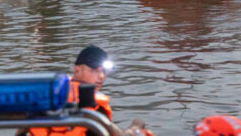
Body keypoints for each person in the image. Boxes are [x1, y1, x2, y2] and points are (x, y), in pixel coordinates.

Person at [24, 45, 155, 136]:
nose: (101, 77)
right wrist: (135, 128)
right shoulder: (94, 106)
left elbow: (22, 130)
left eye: (104, 71)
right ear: (77, 69)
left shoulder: (46, 96)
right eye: (94, 70)